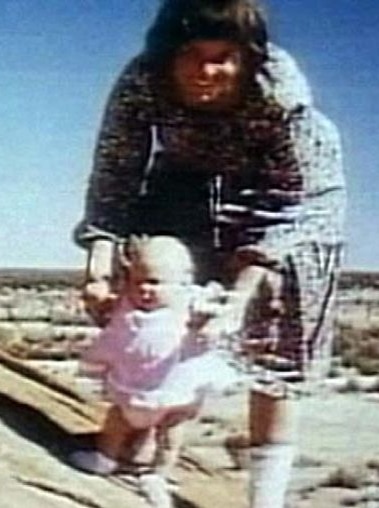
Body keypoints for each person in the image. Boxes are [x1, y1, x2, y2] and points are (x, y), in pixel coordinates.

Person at [74, 1, 346, 506]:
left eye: (223, 56)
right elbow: (116, 173)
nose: (206, 70)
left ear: (248, 58)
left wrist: (240, 297)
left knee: (277, 350)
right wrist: (100, 260)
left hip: (291, 204)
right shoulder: (142, 81)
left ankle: (266, 497)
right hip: (186, 184)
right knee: (152, 302)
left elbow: (292, 205)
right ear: (167, 54)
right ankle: (143, 447)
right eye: (191, 54)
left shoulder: (281, 98)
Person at [72, 235, 240, 504]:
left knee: (171, 433)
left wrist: (213, 325)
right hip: (133, 386)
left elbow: (222, 314)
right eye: (137, 281)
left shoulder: (189, 303)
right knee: (116, 421)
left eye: (155, 282)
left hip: (173, 388)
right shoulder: (127, 303)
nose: (144, 290)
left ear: (183, 283)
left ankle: (159, 474)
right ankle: (105, 458)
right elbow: (108, 311)